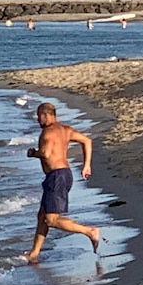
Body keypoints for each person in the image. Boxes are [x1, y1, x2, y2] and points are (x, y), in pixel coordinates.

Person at [25, 103, 100, 263]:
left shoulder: (47, 132)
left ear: (46, 115)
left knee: (51, 219)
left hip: (56, 177)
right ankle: (34, 254)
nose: (38, 120)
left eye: (39, 116)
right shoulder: (65, 130)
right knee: (42, 216)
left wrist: (33, 153)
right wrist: (87, 165)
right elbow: (86, 141)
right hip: (65, 174)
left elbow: (45, 153)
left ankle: (89, 231)